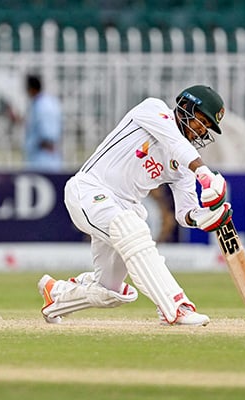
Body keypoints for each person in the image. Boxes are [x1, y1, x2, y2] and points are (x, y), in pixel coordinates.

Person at [38, 85, 232, 326]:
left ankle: (56, 295)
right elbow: (175, 143)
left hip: (122, 210)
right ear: (185, 107)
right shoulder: (153, 110)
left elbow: (185, 212)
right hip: (89, 191)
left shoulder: (184, 165)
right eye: (201, 121)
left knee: (110, 291)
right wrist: (204, 173)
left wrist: (203, 217)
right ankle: (175, 306)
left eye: (207, 127)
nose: (201, 130)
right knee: (133, 227)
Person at [23, 74, 63, 172]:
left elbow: (47, 132)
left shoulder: (42, 106)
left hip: (42, 158)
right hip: (47, 156)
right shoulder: (48, 102)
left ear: (31, 89)